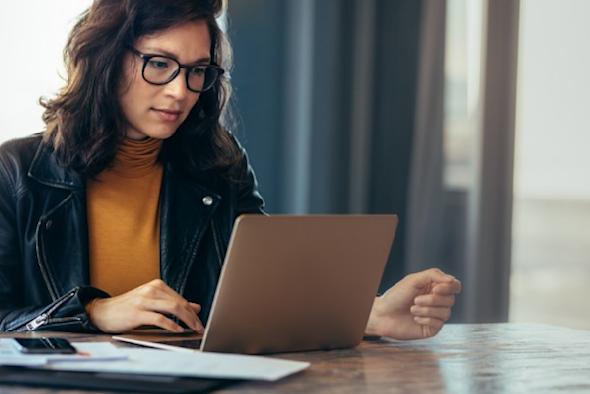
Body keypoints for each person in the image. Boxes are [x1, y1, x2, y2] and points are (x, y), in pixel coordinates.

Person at [0, 0, 461, 340]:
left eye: (197, 70)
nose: (181, 91)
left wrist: (371, 314)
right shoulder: (17, 172)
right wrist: (95, 312)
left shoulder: (218, 166)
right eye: (160, 64)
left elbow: (260, 297)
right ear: (106, 58)